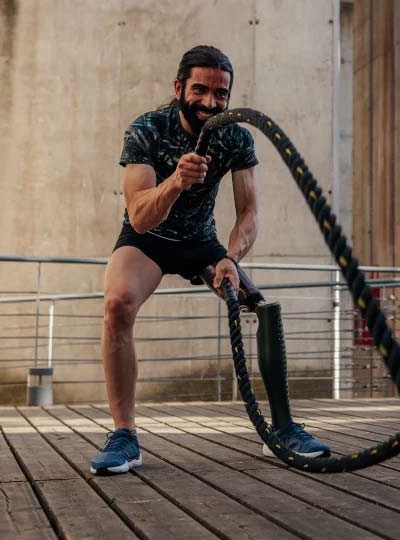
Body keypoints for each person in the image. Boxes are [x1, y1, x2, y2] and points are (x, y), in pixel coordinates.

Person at [90, 45, 330, 475]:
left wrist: (232, 259)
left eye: (220, 94)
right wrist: (176, 182)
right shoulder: (147, 129)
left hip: (202, 240)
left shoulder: (235, 136)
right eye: (200, 90)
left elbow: (249, 214)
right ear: (179, 87)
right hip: (149, 239)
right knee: (117, 305)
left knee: (261, 305)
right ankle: (125, 435)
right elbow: (140, 216)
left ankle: (283, 427)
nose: (210, 103)